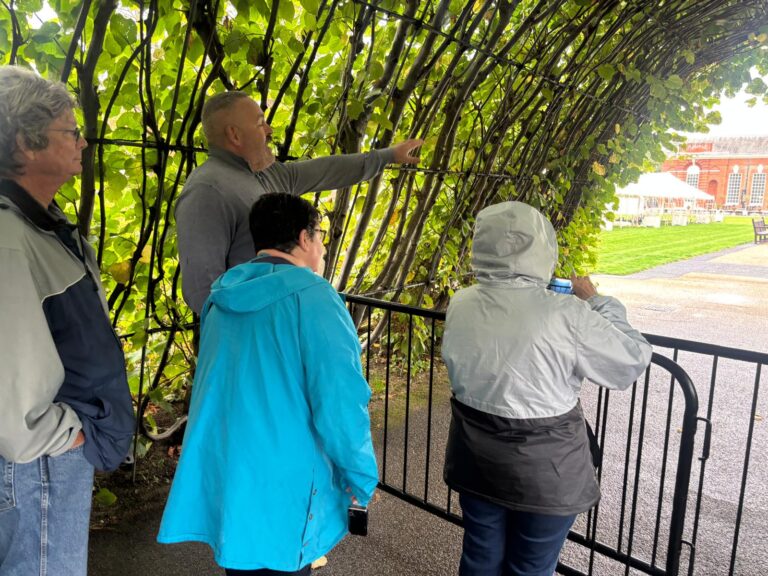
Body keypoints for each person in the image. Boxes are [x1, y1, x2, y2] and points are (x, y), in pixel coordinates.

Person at [158, 193, 379, 575]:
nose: (323, 246)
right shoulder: (314, 298)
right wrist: (360, 475)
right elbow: (340, 401)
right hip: (286, 482)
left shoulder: (222, 294)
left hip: (232, 469)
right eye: (320, 235)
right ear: (304, 237)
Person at [441, 201, 653, 576]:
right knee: (531, 567)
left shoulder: (462, 303)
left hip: (475, 459)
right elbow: (630, 359)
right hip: (547, 472)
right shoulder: (565, 313)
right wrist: (598, 302)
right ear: (542, 248)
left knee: (480, 558)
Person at [0, 66, 134, 575]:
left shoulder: (42, 227)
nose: (82, 141)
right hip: (40, 464)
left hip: (48, 459)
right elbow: (11, 385)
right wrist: (67, 437)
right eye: (70, 131)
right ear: (25, 143)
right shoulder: (9, 237)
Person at [176, 90, 423, 314]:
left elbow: (326, 170)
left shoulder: (267, 174)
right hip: (253, 344)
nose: (269, 130)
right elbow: (202, 290)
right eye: (260, 123)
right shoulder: (206, 191)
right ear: (234, 134)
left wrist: (388, 155)